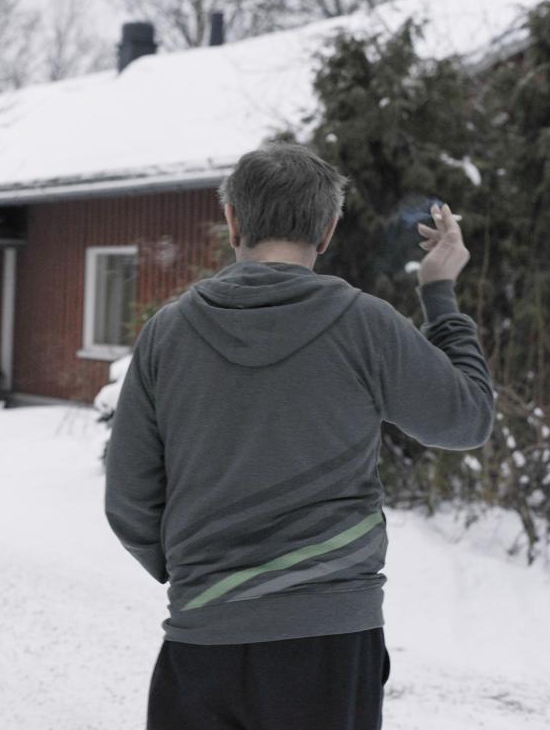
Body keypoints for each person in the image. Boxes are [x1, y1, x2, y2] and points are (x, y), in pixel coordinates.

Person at [104, 141, 496, 730]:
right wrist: (439, 293)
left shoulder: (169, 333)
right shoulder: (365, 325)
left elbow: (129, 497)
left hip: (202, 638)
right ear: (329, 229)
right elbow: (468, 419)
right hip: (330, 646)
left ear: (233, 220)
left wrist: (202, 574)